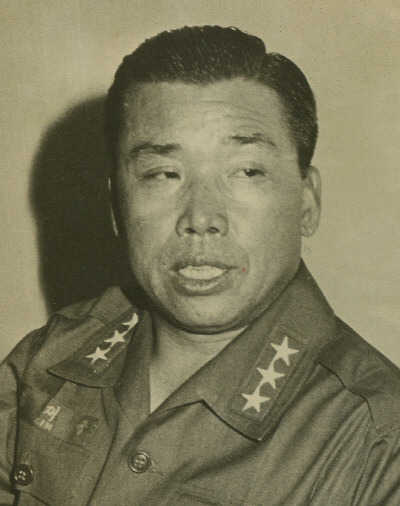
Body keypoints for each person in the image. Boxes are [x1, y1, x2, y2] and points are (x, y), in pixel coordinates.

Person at [1, 25, 399, 506]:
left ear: (307, 202)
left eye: (246, 171)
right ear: (116, 208)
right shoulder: (46, 363)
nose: (201, 218)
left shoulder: (377, 441)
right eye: (163, 174)